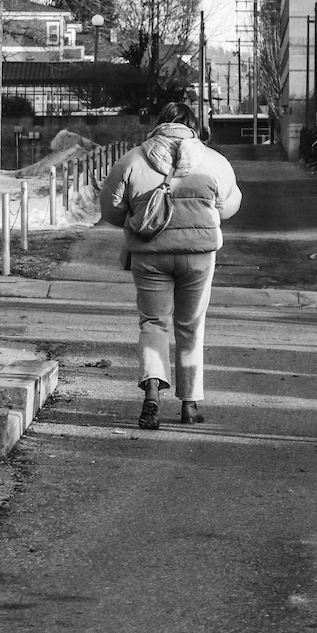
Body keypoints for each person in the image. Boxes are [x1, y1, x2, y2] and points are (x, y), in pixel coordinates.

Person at [100, 102, 241, 429]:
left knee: (153, 322)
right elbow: (230, 205)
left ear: (160, 124)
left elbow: (110, 209)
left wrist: (138, 217)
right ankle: (189, 405)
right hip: (198, 256)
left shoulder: (133, 159)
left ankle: (152, 394)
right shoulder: (213, 161)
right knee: (191, 325)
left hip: (149, 254)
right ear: (193, 126)